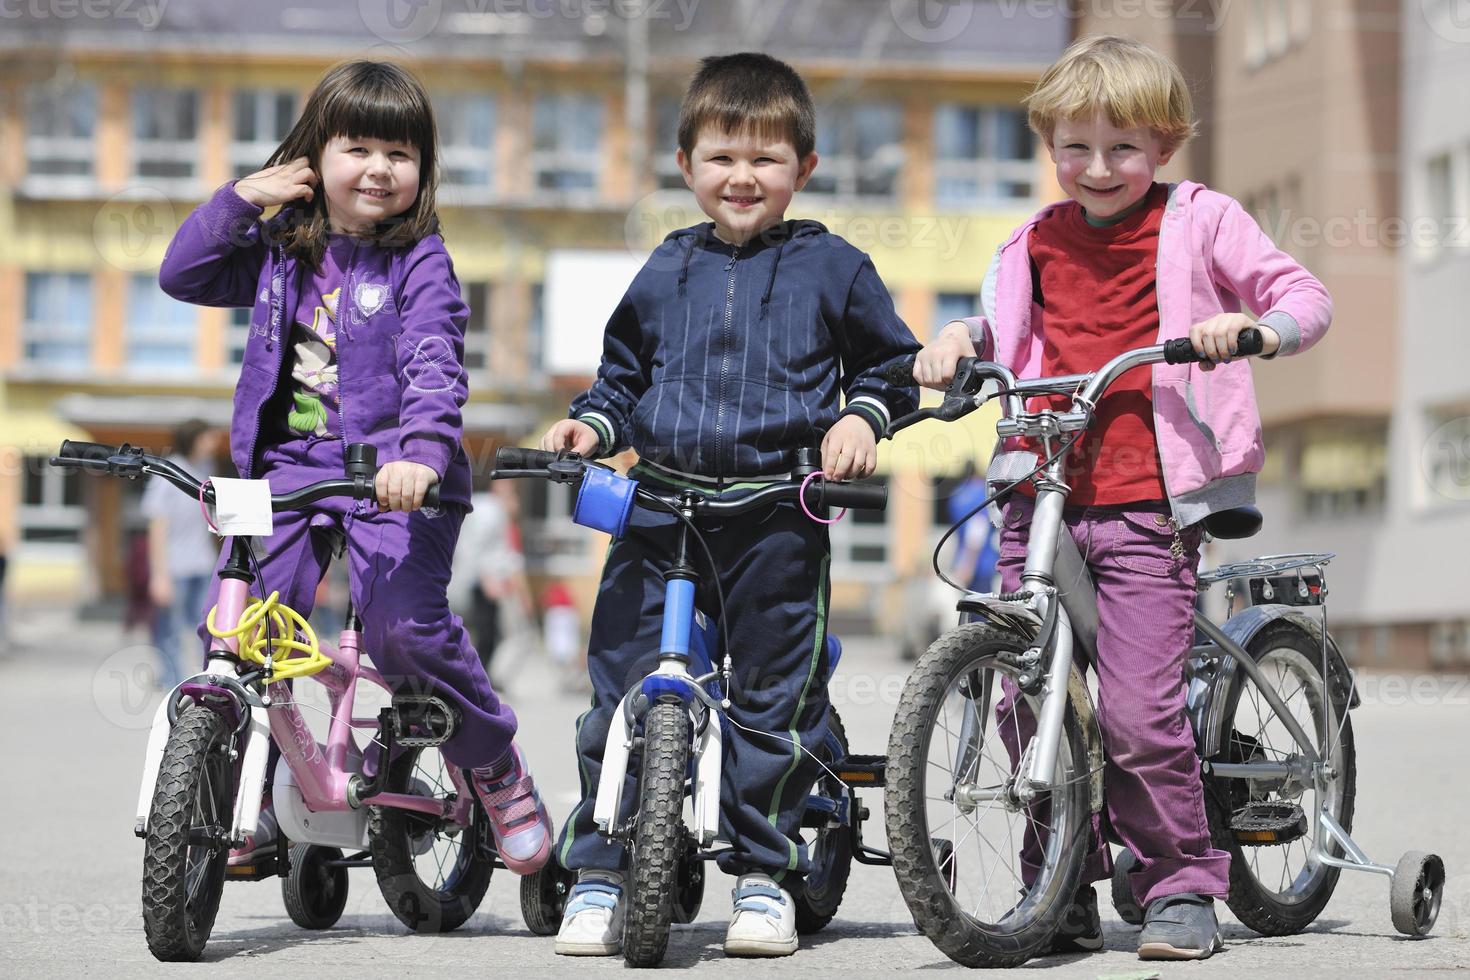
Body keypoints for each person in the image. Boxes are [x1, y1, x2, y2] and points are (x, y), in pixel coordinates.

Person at [913, 35, 1332, 961]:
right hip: (1042, 487)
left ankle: (1179, 883)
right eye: (1075, 147)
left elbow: (1304, 295)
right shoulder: (1031, 240)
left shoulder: (1202, 219)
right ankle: (1053, 876)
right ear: (1047, 143)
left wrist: (1253, 328)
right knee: (1028, 695)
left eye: (1124, 148)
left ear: (1167, 147)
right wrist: (953, 335)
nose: (1097, 168)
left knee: (1141, 715)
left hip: (1149, 499)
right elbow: (1001, 324)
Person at [540, 52, 920, 959]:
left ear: (805, 169)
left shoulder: (836, 266)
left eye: (766, 159)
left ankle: (765, 874)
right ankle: (598, 872)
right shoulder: (669, 266)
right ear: (686, 166)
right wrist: (590, 426)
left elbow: (891, 368)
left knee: (769, 706)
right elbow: (622, 378)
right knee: (617, 698)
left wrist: (863, 416)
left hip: (777, 512)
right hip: (658, 509)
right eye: (720, 157)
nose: (742, 177)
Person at [158, 59, 553, 875]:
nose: (378, 169)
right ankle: (255, 797)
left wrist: (421, 454)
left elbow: (436, 362)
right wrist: (239, 199)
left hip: (396, 476)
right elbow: (183, 274)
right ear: (314, 155)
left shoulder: (422, 263)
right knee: (239, 631)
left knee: (402, 631)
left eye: (400, 155)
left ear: (423, 170)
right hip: (287, 471)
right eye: (358, 148)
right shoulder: (278, 251)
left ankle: (493, 764)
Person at [140, 419, 221, 691]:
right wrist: (159, 575)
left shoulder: (205, 469)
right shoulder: (168, 471)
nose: (215, 444)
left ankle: (207, 683)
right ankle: (175, 686)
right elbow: (157, 526)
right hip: (175, 568)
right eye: (209, 438)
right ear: (195, 440)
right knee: (170, 632)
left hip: (202, 564)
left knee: (207, 629)